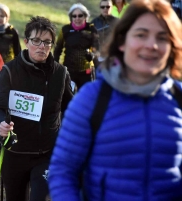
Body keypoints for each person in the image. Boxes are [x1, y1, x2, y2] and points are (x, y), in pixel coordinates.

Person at [49, 0, 182, 200]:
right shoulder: (91, 99)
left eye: (162, 38)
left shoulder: (178, 98)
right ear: (122, 41)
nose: (152, 45)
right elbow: (62, 172)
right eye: (141, 35)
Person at [0, 16, 74, 201]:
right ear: (26, 42)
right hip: (14, 153)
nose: (41, 47)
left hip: (46, 153)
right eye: (36, 41)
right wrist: (0, 125)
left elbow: (72, 110)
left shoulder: (60, 73)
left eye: (47, 42)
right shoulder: (10, 71)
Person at [54, 3, 99, 90]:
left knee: (86, 98)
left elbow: (97, 48)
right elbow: (57, 49)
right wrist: (55, 65)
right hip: (68, 70)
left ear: (85, 16)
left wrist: (92, 54)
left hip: (86, 71)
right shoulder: (65, 29)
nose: (77, 18)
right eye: (74, 16)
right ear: (71, 17)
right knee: (67, 96)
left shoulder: (91, 29)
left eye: (80, 15)